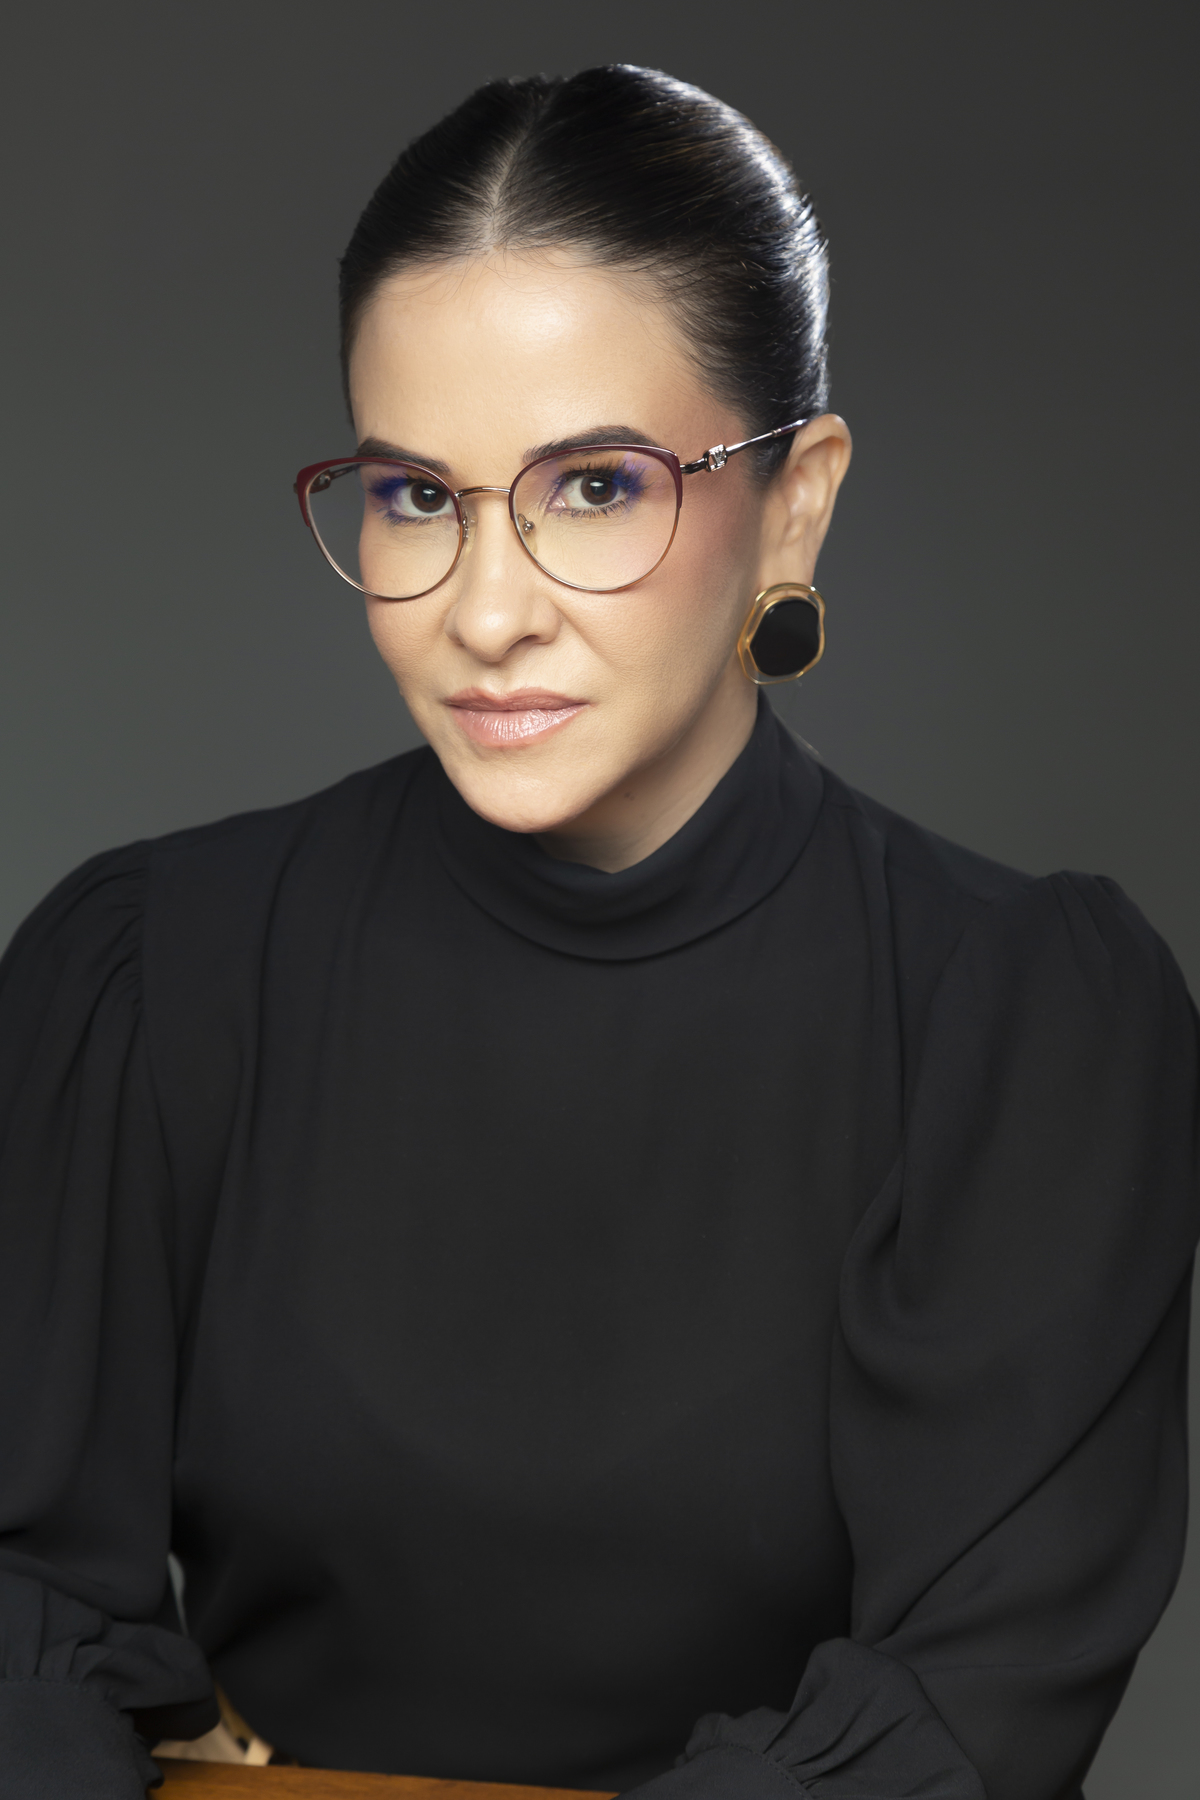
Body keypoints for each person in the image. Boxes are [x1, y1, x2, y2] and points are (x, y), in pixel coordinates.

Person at [0, 63, 1195, 1800]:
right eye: (417, 496)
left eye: (595, 488)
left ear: (797, 501)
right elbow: (20, 1628)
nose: (486, 613)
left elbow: (968, 1715)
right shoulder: (148, 978)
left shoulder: (1018, 1030)